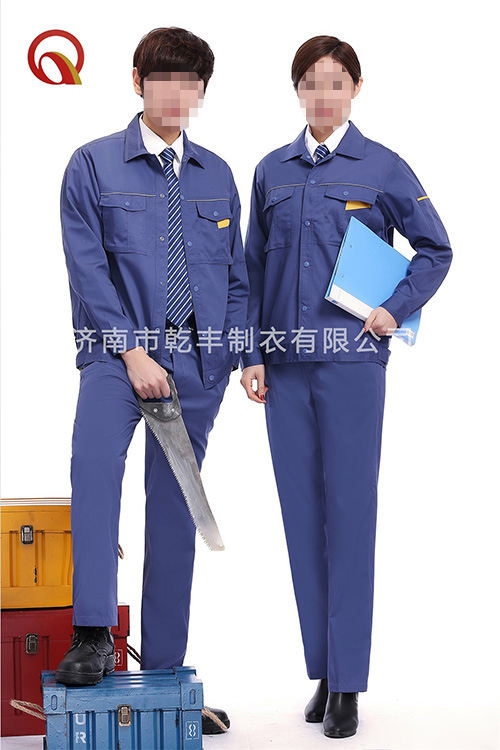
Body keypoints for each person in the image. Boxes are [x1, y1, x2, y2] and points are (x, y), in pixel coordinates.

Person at [240, 35, 452, 739]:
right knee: (302, 521)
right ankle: (325, 671)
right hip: (284, 368)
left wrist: (395, 308)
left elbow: (437, 248)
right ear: (297, 90)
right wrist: (250, 354)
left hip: (353, 365)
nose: (324, 94)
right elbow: (252, 268)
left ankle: (350, 683)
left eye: (336, 81)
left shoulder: (383, 166)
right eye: (311, 82)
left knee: (350, 518)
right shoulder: (271, 170)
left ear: (356, 88)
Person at [56, 26, 249, 735]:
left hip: (196, 367)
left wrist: (230, 358)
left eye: (189, 82)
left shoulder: (217, 175)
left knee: (173, 513)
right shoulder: (92, 165)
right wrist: (133, 352)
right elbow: (88, 268)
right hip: (116, 356)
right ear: (138, 81)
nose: (176, 93)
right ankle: (92, 634)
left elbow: (236, 277)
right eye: (163, 78)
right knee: (94, 473)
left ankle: (166, 674)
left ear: (200, 91)